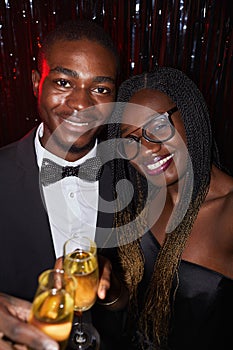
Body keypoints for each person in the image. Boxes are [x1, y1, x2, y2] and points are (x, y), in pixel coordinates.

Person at [0, 19, 127, 350]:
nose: (82, 104)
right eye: (63, 82)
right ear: (35, 83)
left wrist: (113, 292)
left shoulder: (136, 177)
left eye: (100, 89)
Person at [107, 67, 233, 349]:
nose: (147, 149)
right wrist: (109, 290)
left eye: (158, 127)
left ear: (189, 115)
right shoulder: (141, 201)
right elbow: (136, 307)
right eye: (132, 140)